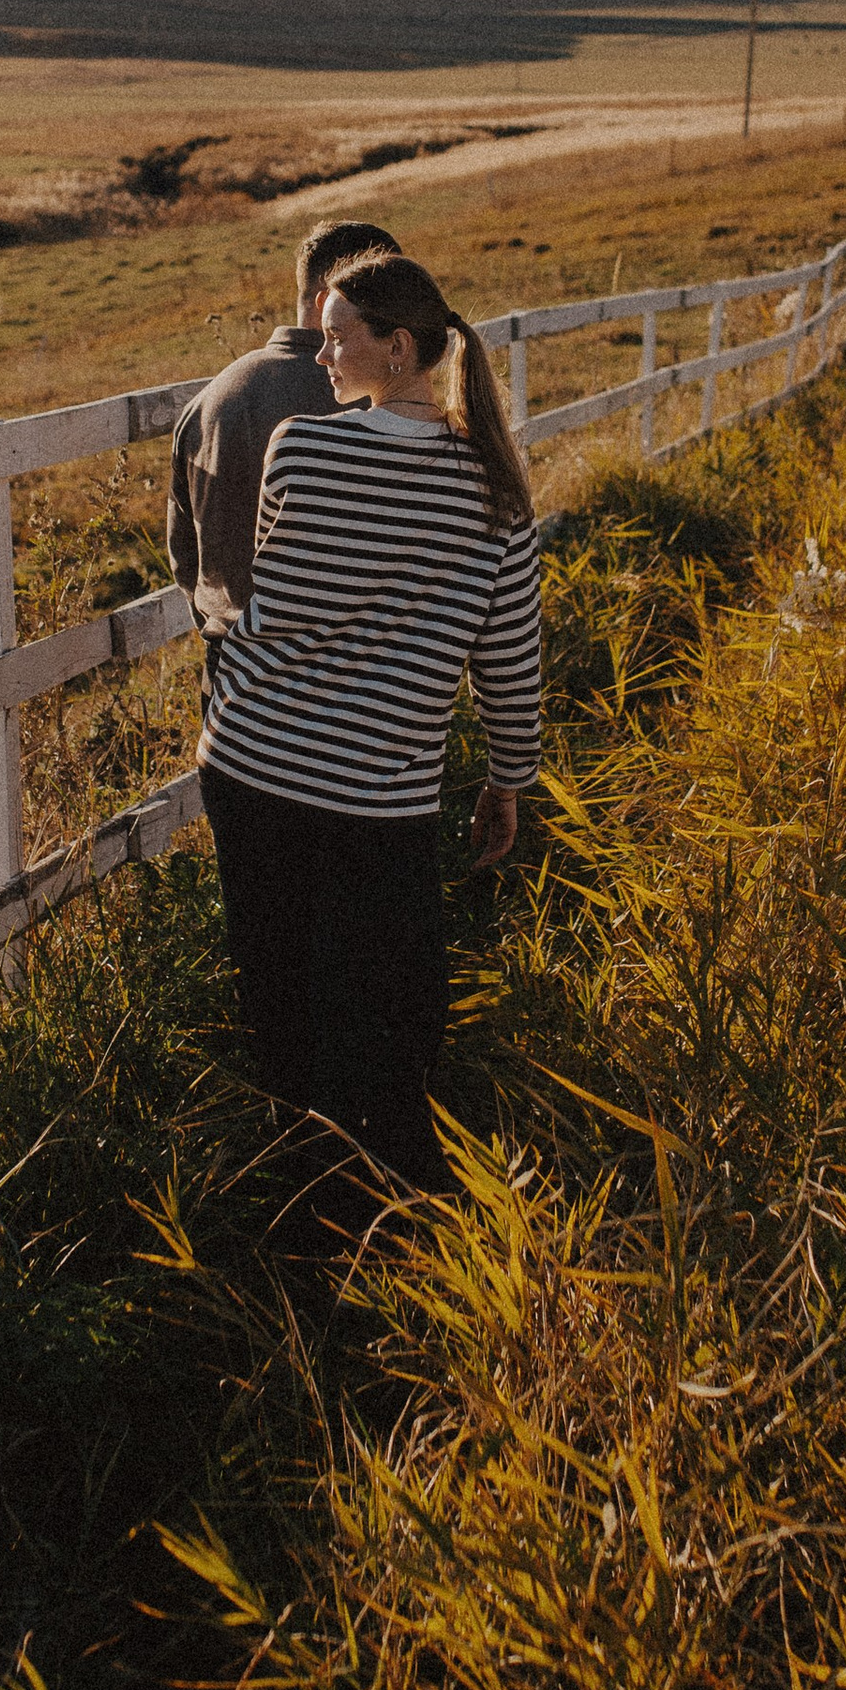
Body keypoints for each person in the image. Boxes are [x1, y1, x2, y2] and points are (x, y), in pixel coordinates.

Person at [198, 247, 541, 1202]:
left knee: (281, 993)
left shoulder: (303, 450)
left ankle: (304, 1191)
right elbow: (508, 665)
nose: (320, 357)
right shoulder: (496, 495)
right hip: (374, 791)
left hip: (253, 761)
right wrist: (507, 781)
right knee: (388, 1010)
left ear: (396, 348)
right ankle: (379, 1209)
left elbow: (286, 605)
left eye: (338, 337)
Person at [166, 219, 403, 668]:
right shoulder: (377, 396)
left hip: (230, 674)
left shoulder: (208, 400)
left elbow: (185, 559)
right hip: (354, 675)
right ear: (327, 300)